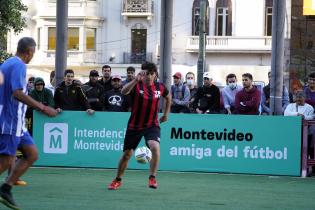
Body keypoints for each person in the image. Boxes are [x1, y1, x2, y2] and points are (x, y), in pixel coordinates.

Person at [0, 37, 58, 210]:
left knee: (32, 154)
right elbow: (17, 92)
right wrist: (42, 107)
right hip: (10, 120)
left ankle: (6, 189)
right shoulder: (18, 65)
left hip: (17, 122)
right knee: (6, 160)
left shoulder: (7, 63)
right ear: (29, 51)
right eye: (34, 52)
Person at [108, 61, 171, 190]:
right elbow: (124, 92)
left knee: (155, 146)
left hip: (151, 124)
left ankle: (152, 178)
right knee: (127, 154)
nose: (148, 77)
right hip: (135, 125)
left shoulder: (160, 87)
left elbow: (168, 97)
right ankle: (117, 179)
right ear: (142, 73)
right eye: (146, 74)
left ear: (155, 75)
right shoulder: (136, 85)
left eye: (151, 74)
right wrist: (135, 80)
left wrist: (166, 114)